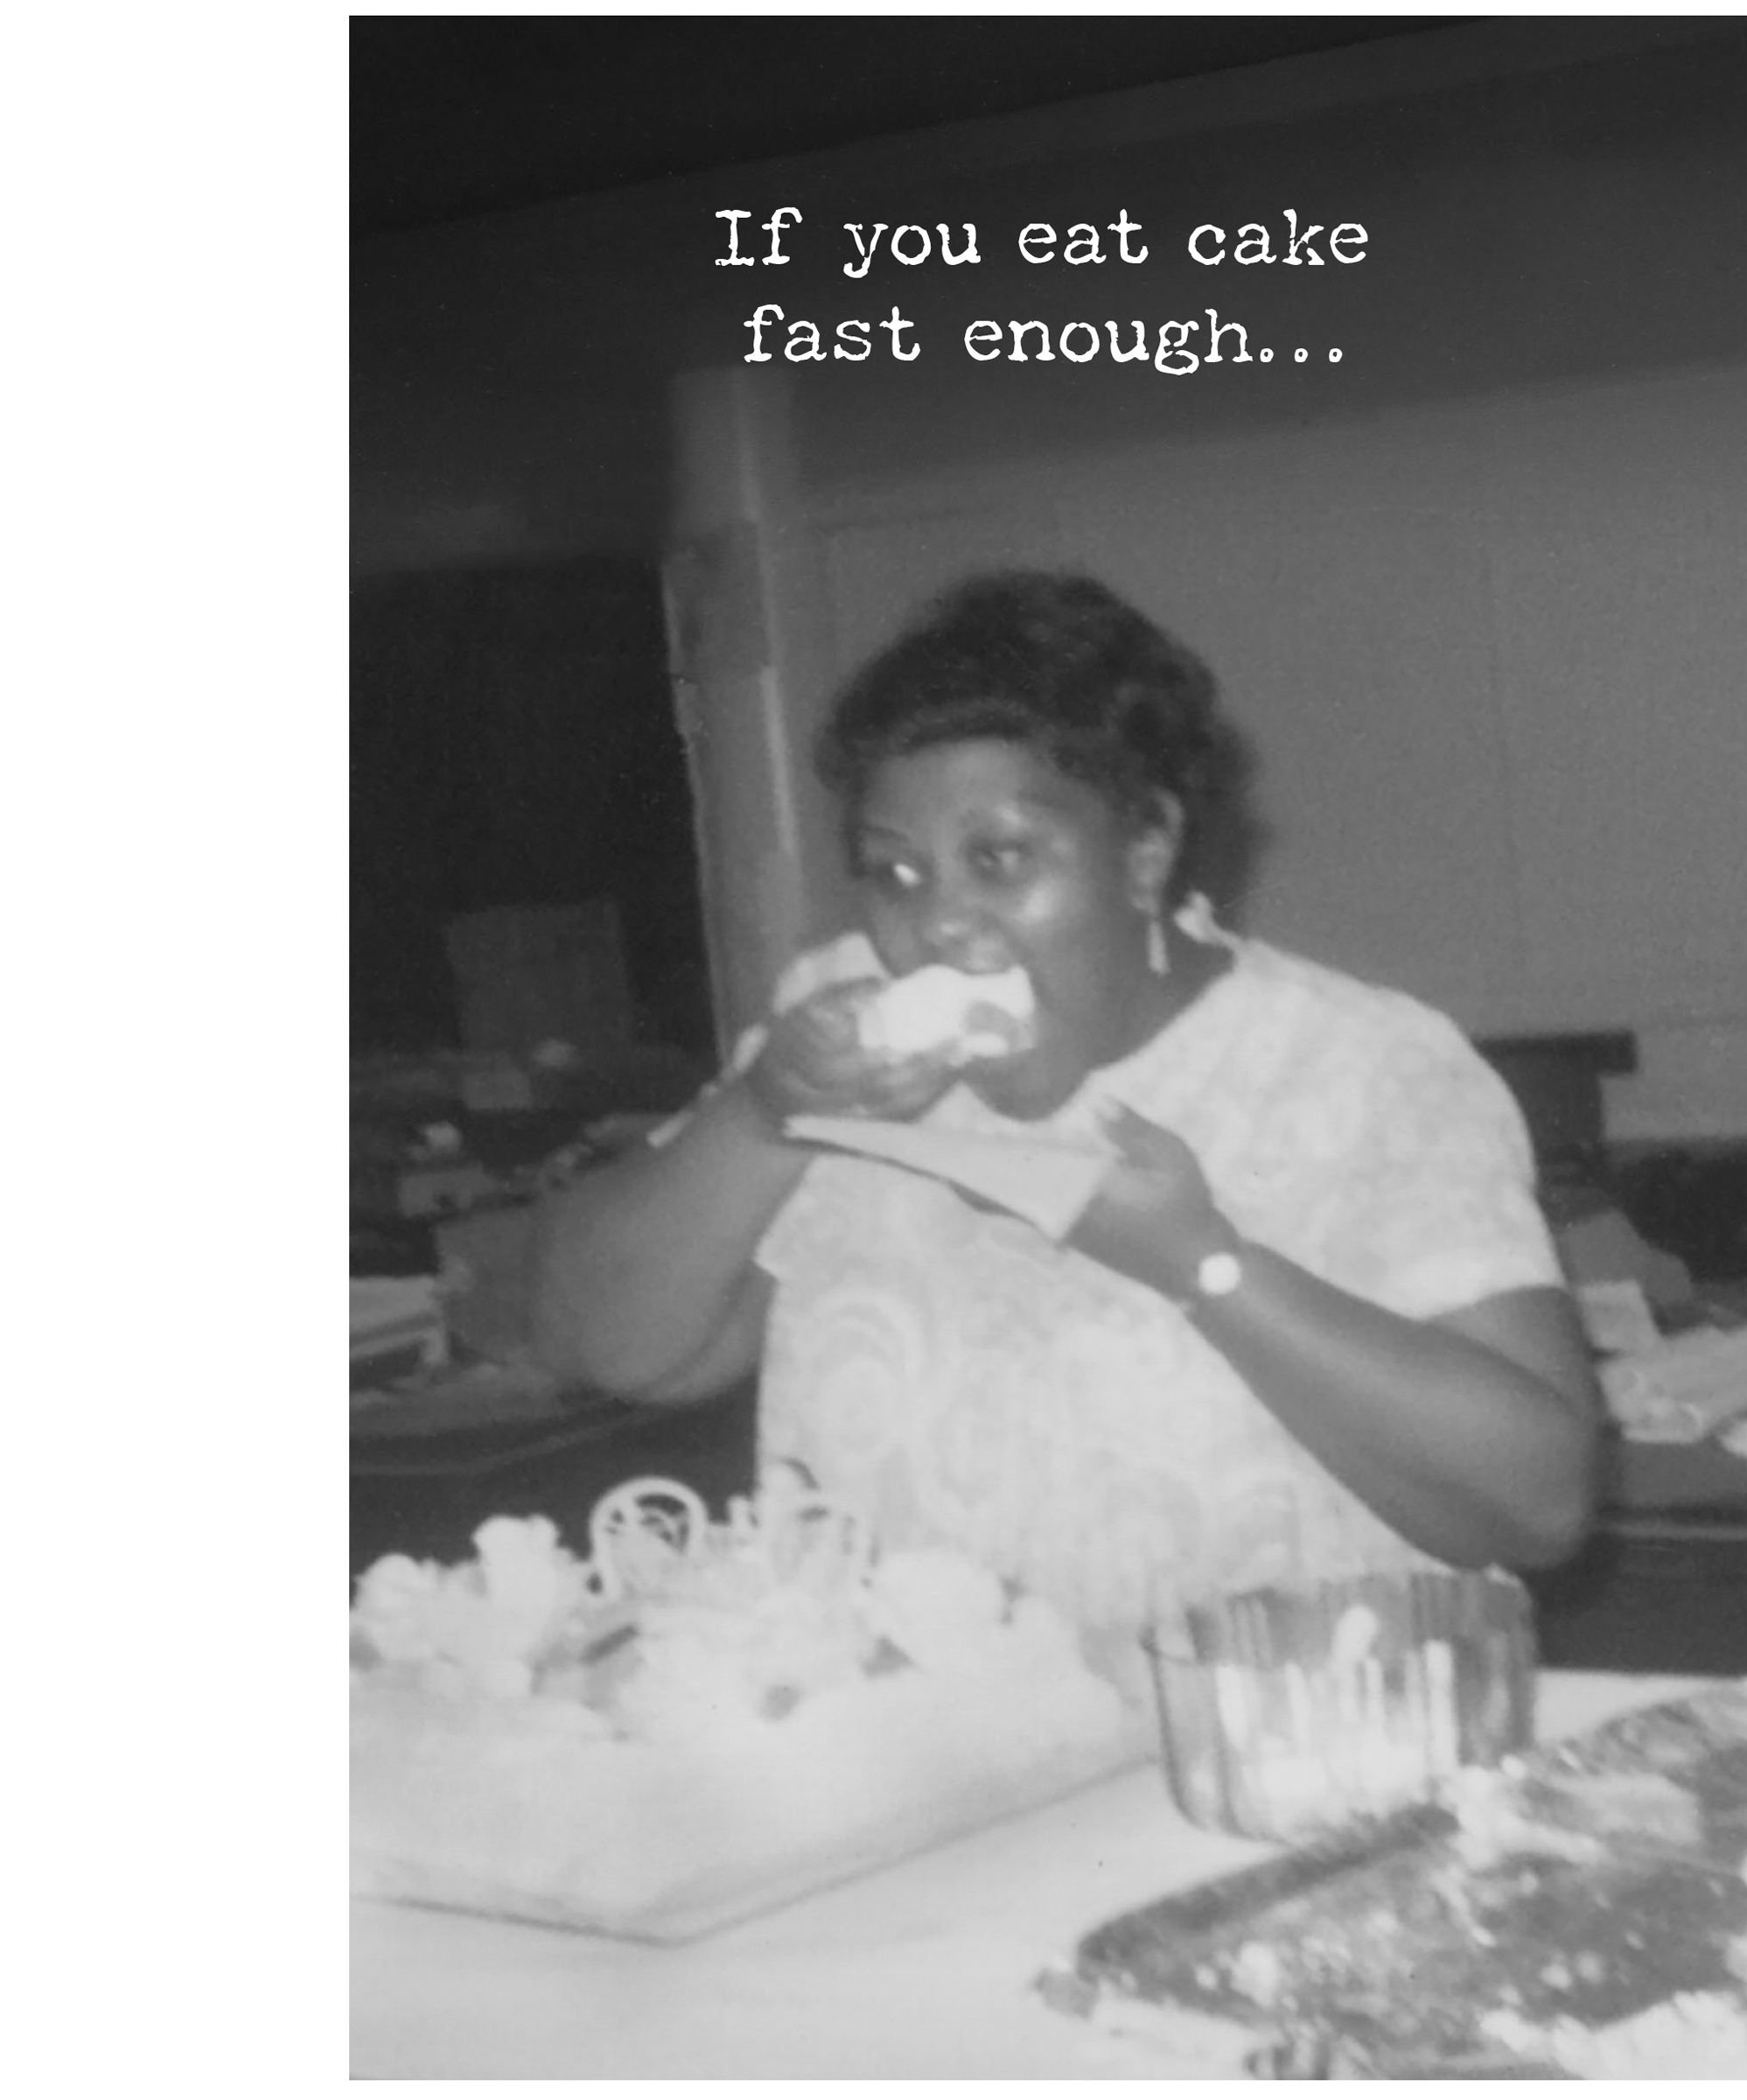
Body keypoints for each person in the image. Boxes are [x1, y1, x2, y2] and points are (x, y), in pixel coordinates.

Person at [532, 572, 1599, 1634]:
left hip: (1266, 1725)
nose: (940, 926)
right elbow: (608, 1346)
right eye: (895, 874)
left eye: (999, 859)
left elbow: (1537, 1506)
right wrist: (764, 1114)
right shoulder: (837, 1020)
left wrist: (1204, 1268)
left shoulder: (1364, 1065)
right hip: (911, 1731)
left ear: (1144, 851)